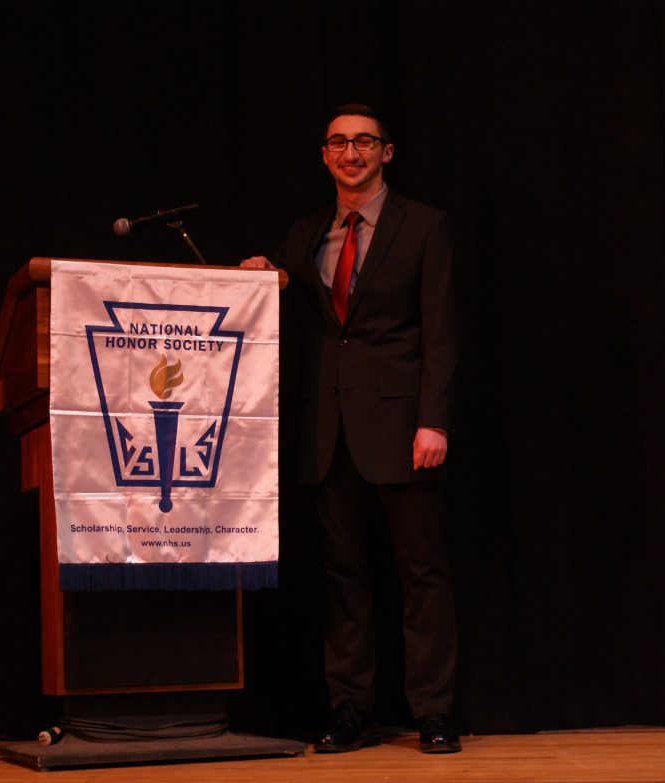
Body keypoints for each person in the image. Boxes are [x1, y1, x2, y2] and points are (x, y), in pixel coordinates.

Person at [242, 104, 460, 754]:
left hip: (402, 426)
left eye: (364, 141)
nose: (351, 152)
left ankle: (434, 713)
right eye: (338, 142)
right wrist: (261, 274)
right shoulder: (308, 233)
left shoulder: (424, 226)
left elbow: (441, 333)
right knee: (343, 577)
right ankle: (350, 711)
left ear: (386, 152)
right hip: (327, 426)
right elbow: (289, 295)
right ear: (324, 155)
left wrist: (433, 420)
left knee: (421, 574)